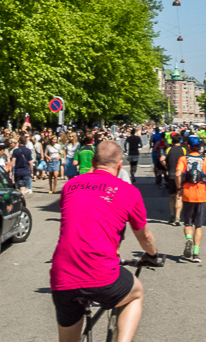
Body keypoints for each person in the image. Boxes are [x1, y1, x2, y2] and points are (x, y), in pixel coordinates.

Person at [50, 141, 160, 342]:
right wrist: (152, 255)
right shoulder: (128, 192)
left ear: (93, 161)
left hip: (62, 274)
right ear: (120, 166)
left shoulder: (69, 186)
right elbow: (144, 236)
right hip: (101, 272)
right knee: (136, 293)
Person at [177, 138, 206, 263]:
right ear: (199, 147)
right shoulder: (205, 160)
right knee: (198, 225)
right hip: (201, 195)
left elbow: (178, 174)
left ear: (189, 147)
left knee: (188, 223)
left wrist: (179, 188)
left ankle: (188, 238)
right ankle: (196, 253)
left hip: (188, 193)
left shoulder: (183, 159)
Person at [163, 135, 186, 226]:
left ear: (172, 141)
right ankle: (177, 217)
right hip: (181, 175)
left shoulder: (169, 149)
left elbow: (162, 159)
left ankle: (171, 216)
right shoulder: (183, 150)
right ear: (180, 140)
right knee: (179, 196)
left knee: (172, 196)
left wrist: (166, 166)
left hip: (171, 175)